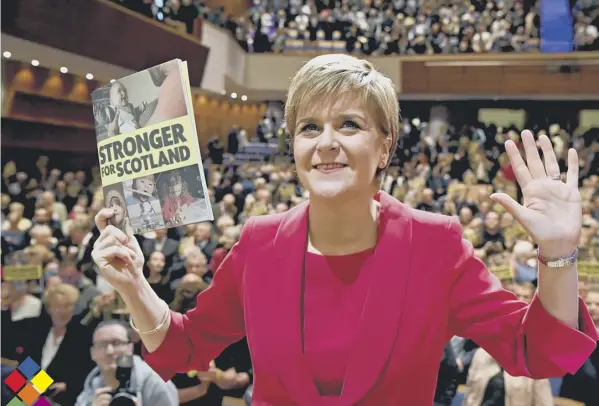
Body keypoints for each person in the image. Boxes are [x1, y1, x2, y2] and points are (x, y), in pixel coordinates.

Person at [91, 54, 598, 405]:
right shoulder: (258, 242)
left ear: (384, 148)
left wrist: (557, 254)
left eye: (349, 125)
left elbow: (538, 350)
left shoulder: (435, 243)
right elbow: (186, 345)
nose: (326, 142)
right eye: (310, 127)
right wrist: (135, 286)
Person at [75, 319, 178, 406]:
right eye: (101, 344)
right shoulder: (91, 385)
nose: (109, 351)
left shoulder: (155, 383)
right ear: (92, 353)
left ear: (130, 348)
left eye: (117, 343)